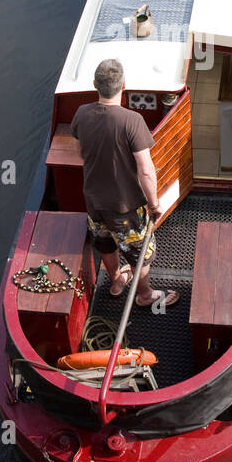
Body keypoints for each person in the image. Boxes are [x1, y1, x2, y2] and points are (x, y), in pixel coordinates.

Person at [71, 58, 179, 309]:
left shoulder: (81, 114)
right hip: (125, 207)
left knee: (105, 242)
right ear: (124, 86)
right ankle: (144, 295)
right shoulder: (132, 121)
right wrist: (154, 204)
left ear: (95, 84)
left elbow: (80, 152)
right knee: (140, 252)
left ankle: (117, 281)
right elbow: (146, 170)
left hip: (94, 202)